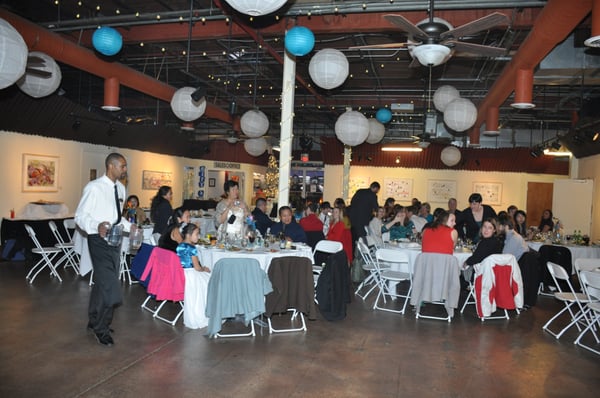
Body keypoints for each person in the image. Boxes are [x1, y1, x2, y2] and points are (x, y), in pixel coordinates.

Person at [75, 152, 135, 347]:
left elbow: (118, 217)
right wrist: (96, 226)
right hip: (98, 240)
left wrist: (130, 227)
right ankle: (101, 328)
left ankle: (94, 321)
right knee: (111, 285)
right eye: (123, 166)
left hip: (115, 239)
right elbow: (80, 216)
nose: (125, 170)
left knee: (103, 283)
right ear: (111, 166)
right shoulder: (93, 188)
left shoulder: (121, 188)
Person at [176, 223, 211, 330]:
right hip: (192, 274)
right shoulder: (192, 248)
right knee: (209, 280)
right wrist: (204, 269)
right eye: (196, 234)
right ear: (188, 235)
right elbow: (197, 267)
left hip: (183, 274)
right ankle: (206, 312)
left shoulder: (179, 245)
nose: (198, 237)